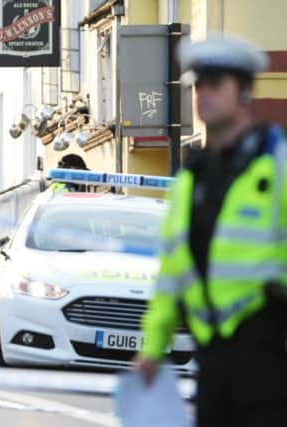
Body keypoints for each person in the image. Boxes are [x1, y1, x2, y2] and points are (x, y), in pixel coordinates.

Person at [134, 33, 287, 426]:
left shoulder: (276, 164)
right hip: (212, 355)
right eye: (199, 85)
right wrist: (152, 348)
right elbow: (171, 273)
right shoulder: (190, 179)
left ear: (244, 93)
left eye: (216, 84)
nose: (204, 95)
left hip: (268, 347)